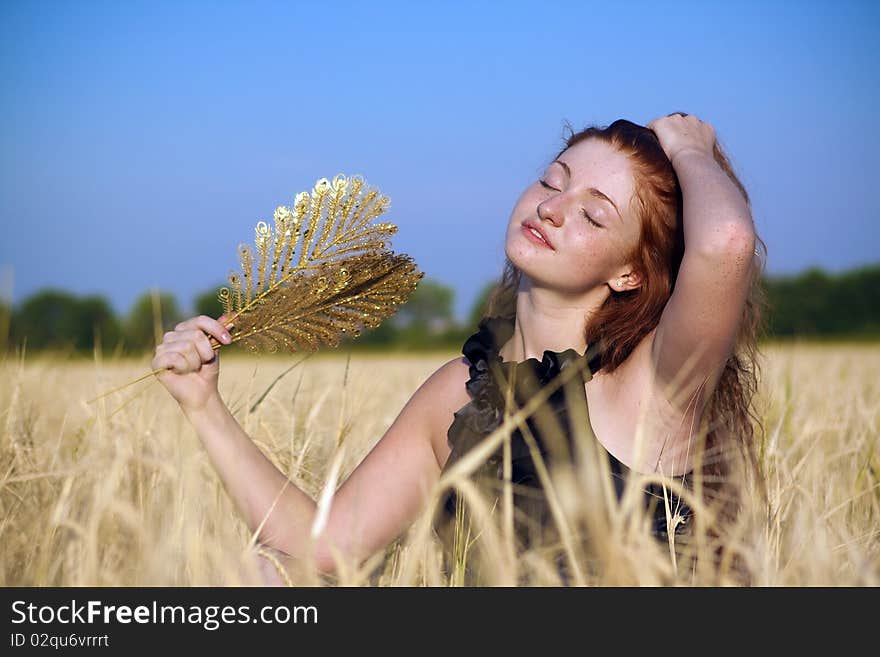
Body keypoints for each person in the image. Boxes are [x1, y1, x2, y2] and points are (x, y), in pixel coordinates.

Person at [152, 113, 767, 586]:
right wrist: (203, 404)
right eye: (552, 181)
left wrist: (691, 149)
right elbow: (327, 547)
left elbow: (728, 242)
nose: (552, 209)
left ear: (630, 273)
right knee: (270, 578)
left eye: (593, 215)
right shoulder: (460, 392)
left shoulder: (652, 387)